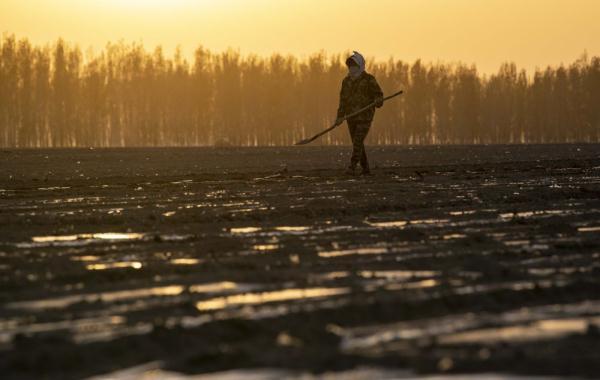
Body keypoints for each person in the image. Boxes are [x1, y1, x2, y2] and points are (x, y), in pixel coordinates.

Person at [335, 51, 383, 176]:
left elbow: (379, 95)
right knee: (358, 144)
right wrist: (340, 116)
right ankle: (366, 169)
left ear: (360, 66)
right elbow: (343, 100)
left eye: (354, 66)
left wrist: (378, 101)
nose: (351, 68)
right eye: (350, 66)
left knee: (357, 142)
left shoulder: (369, 79)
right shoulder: (346, 82)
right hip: (351, 117)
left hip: (364, 117)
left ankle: (352, 167)